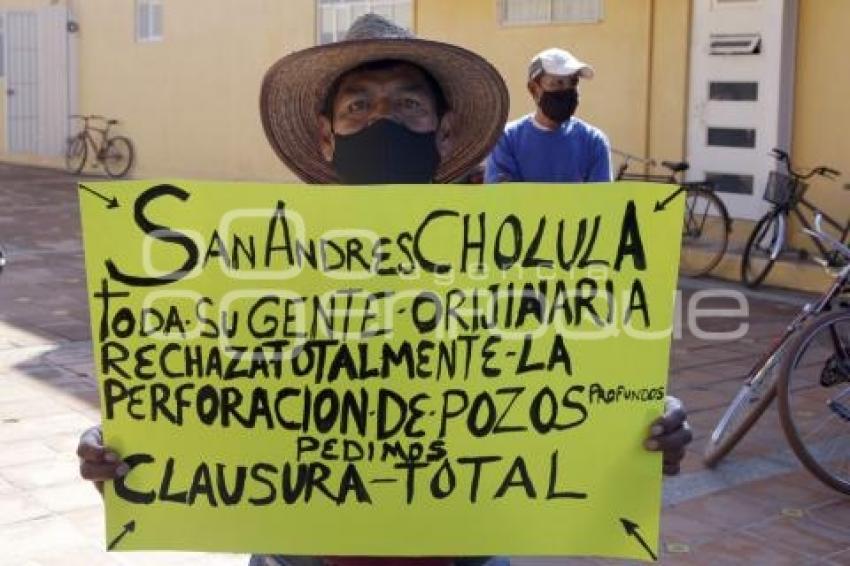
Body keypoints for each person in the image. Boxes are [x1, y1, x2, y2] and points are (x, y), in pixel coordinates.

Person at [77, 14, 691, 566]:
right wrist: (126, 439)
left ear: (444, 131)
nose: (382, 121)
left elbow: (574, 373)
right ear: (326, 135)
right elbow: (203, 388)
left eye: (407, 106)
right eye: (359, 107)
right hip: (300, 552)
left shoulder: (511, 255)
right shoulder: (254, 263)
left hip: (465, 548)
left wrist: (638, 426)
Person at [485, 47, 612, 183]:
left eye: (573, 82)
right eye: (557, 83)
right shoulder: (506, 140)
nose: (566, 90)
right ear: (534, 89)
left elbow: (600, 200)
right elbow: (502, 199)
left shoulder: (594, 142)